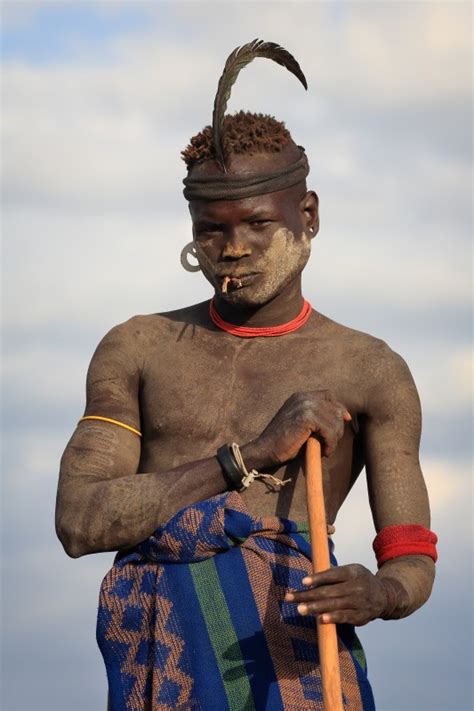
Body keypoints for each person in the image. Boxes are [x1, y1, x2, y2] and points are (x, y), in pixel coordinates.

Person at [56, 41, 437, 710]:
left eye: (258, 223)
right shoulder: (137, 348)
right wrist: (248, 456)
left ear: (307, 215)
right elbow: (80, 521)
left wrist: (378, 593)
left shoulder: (371, 369)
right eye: (212, 229)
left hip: (295, 662)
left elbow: (411, 555)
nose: (232, 249)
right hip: (160, 657)